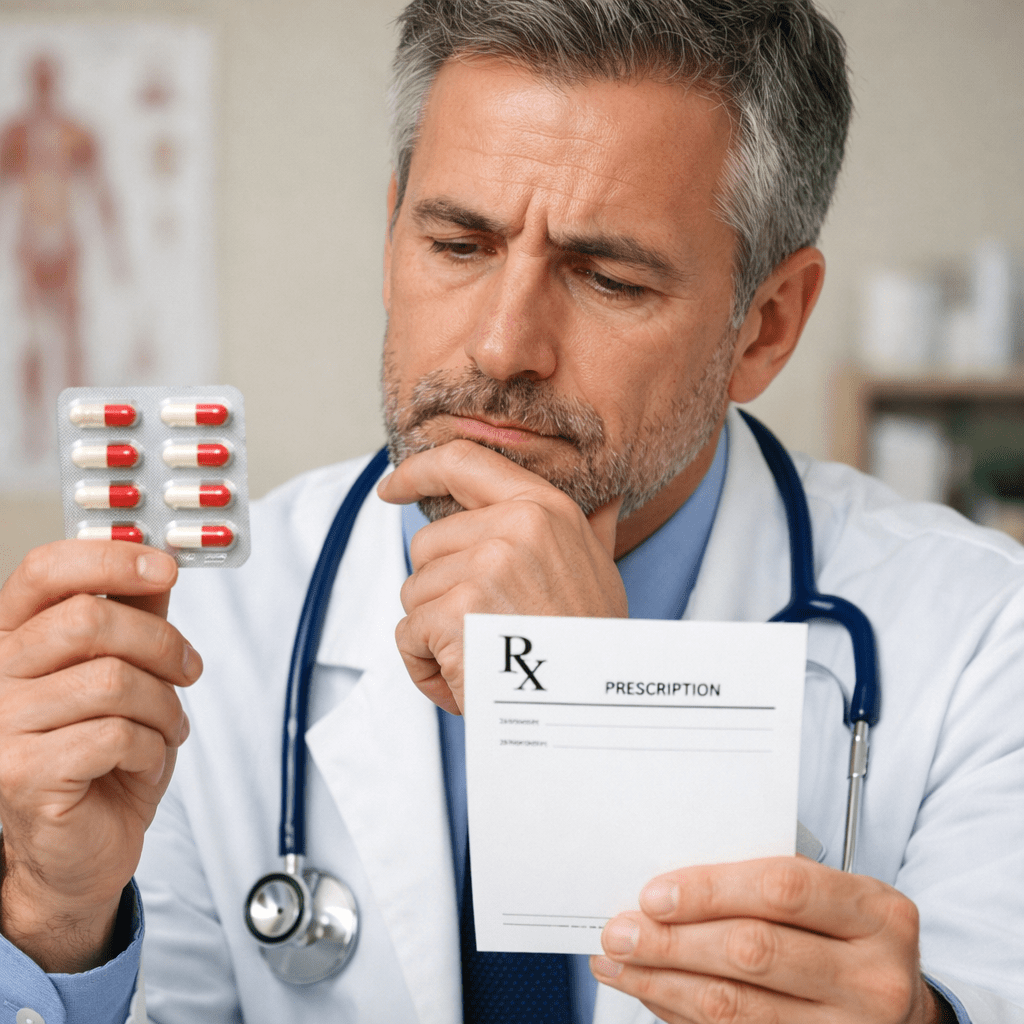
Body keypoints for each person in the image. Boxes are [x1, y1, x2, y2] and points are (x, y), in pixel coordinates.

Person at [1, 1, 1022, 1022]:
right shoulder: (200, 630)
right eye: (457, 245)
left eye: (608, 277)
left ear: (765, 325)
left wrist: (599, 711)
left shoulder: (979, 638)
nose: (500, 344)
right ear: (393, 224)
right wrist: (56, 920)